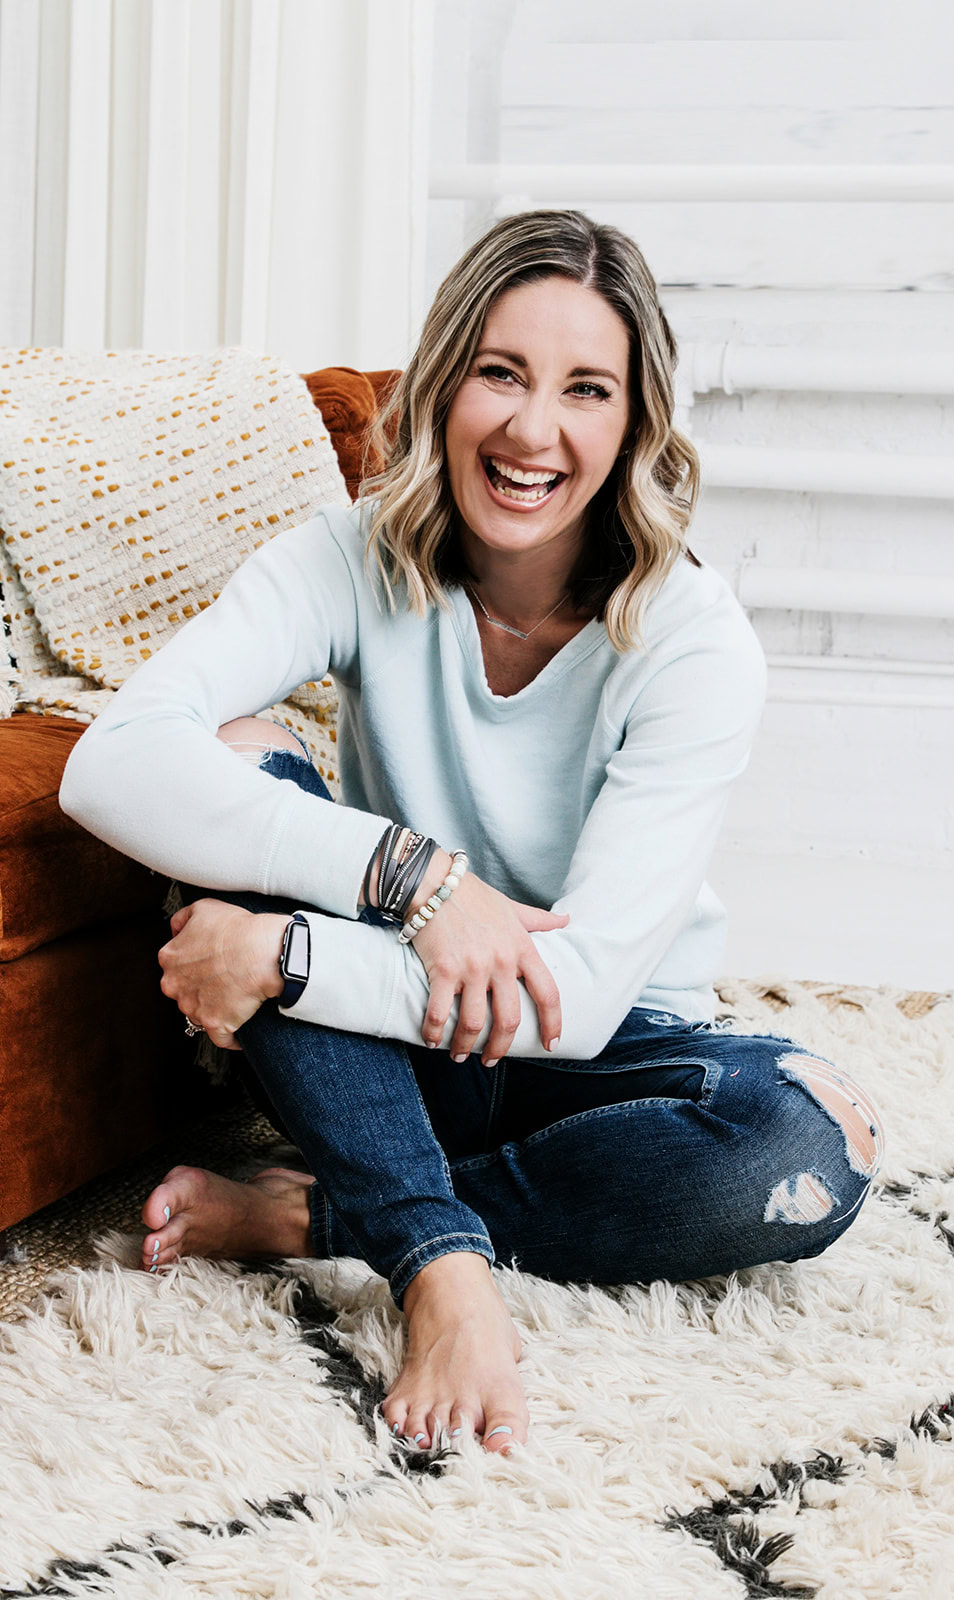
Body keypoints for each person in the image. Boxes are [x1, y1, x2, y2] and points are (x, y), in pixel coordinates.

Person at [59, 208, 884, 1458]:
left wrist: (282, 961)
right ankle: (441, 1266)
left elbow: (586, 996)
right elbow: (112, 763)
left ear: (633, 424)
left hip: (598, 1058)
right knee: (229, 778)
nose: (532, 430)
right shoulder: (350, 558)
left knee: (811, 1141)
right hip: (407, 1051)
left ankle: (330, 1215)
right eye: (501, 372)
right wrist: (412, 878)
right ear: (445, 381)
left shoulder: (693, 640)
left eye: (584, 389)